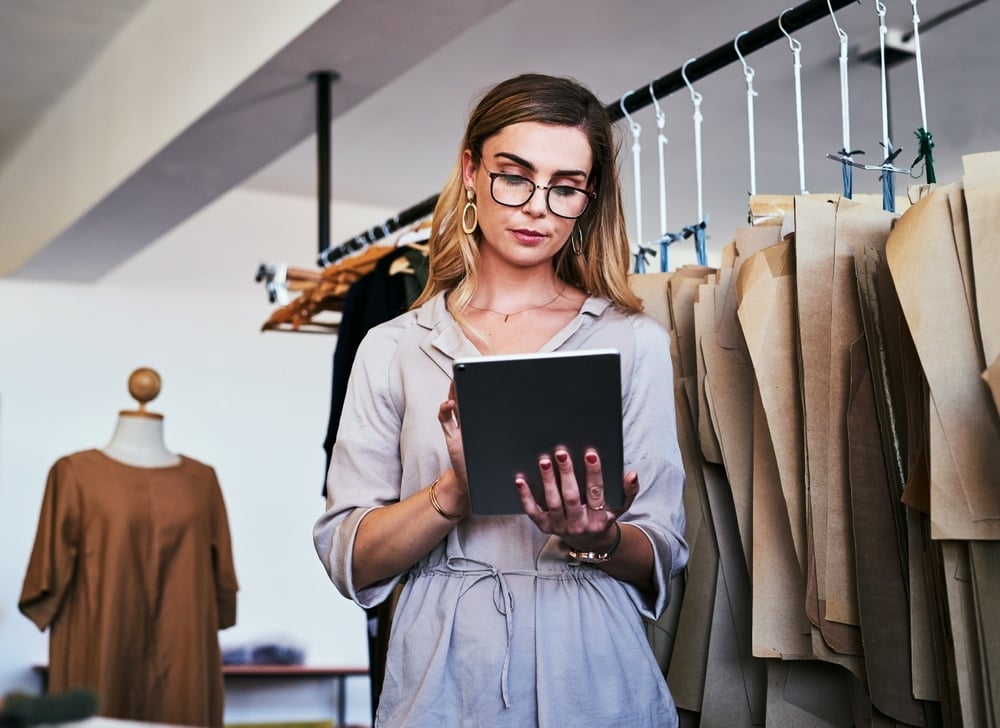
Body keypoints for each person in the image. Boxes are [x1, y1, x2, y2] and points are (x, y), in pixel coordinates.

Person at [313, 73, 688, 727]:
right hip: (441, 672)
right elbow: (351, 562)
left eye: (565, 187)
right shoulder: (393, 346)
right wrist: (453, 494)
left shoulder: (634, 342)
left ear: (587, 197)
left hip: (592, 665)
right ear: (470, 172)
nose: (538, 205)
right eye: (514, 176)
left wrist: (596, 537)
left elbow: (663, 550)